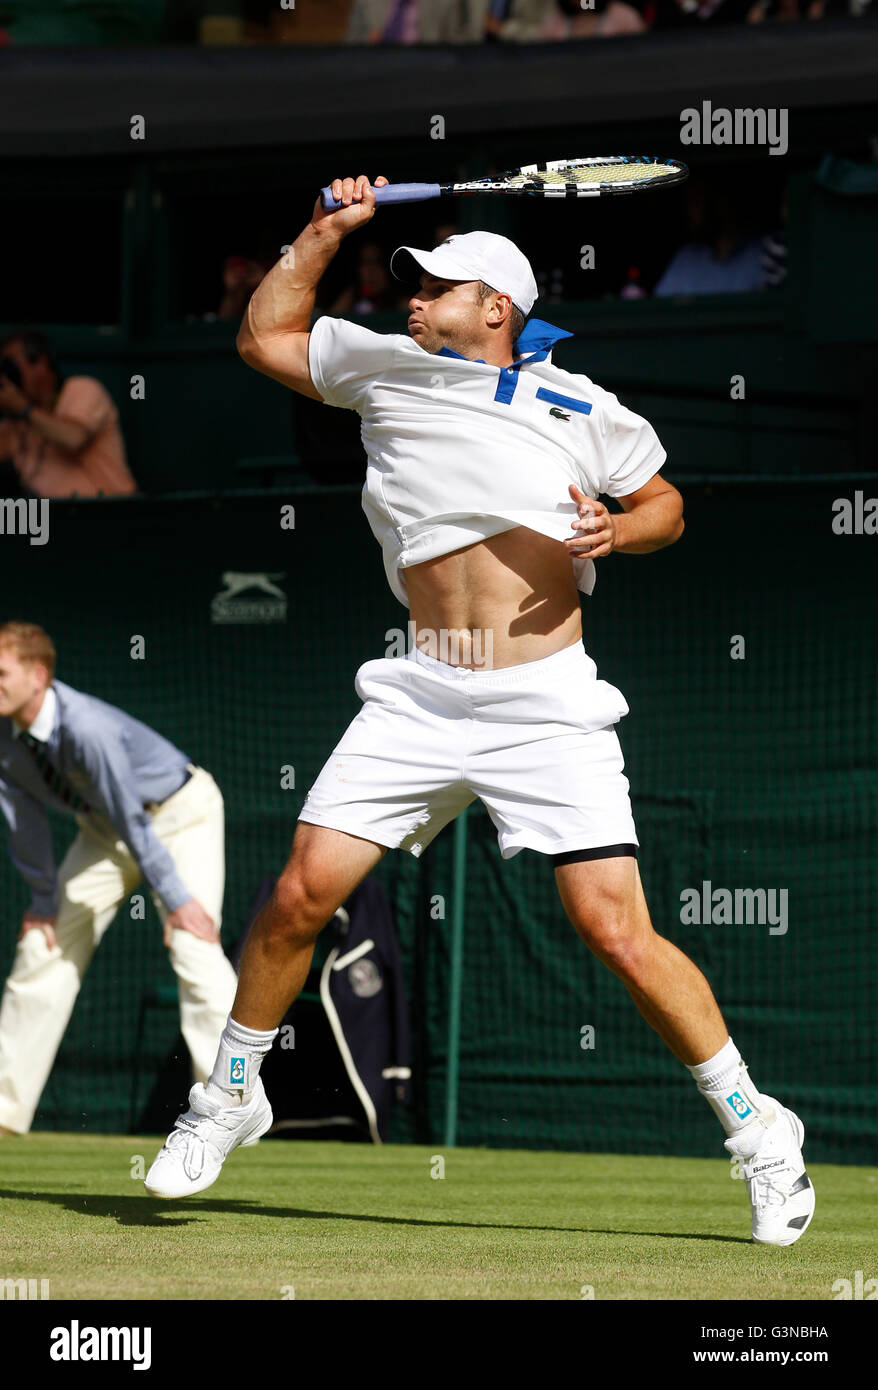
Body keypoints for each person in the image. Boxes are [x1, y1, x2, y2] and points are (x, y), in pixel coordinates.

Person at [145, 176, 815, 1250]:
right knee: (297, 895)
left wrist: (621, 533)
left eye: (433, 286)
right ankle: (230, 1095)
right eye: (405, 285)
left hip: (546, 700)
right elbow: (264, 336)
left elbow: (666, 504)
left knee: (615, 932)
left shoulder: (583, 406)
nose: (408, 298)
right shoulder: (383, 367)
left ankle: (757, 1130)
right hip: (419, 688)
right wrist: (328, 229)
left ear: (495, 305)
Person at [0, 622, 237, 1135]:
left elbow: (132, 817)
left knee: (194, 946)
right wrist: (44, 899)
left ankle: (232, 1106)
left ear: (38, 676)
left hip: (180, 814)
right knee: (42, 945)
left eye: (1, 673)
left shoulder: (86, 727)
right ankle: (3, 1110)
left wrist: (175, 899)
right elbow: (23, 816)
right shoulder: (4, 733)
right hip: (106, 831)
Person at [0, 330, 136, 499]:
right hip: (52, 518)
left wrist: (23, 408)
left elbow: (73, 438)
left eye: (11, 366)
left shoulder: (81, 389)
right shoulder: (14, 423)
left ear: (41, 362)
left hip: (107, 512)